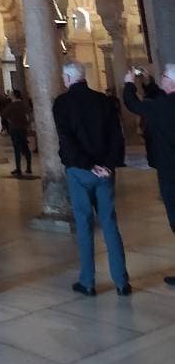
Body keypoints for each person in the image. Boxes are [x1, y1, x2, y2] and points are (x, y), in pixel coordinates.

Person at [53, 61, 131, 297]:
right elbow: (117, 136)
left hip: (80, 171)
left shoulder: (62, 104)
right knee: (109, 224)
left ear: (67, 78)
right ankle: (121, 282)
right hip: (105, 172)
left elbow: (67, 140)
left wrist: (88, 165)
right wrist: (107, 164)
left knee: (85, 225)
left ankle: (88, 282)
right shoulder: (104, 101)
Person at [123, 66, 175, 287]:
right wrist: (148, 82)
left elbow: (133, 104)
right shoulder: (164, 103)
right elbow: (161, 100)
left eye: (164, 76)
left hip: (170, 171)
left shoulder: (161, 107)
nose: (161, 79)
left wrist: (128, 84)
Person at [2, 89, 32, 176]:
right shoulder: (23, 104)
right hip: (23, 128)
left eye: (11, 94)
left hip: (14, 128)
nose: (10, 95)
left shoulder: (12, 105)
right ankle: (29, 167)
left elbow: (4, 114)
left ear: (14, 95)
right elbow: (29, 113)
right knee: (25, 147)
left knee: (17, 149)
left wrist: (10, 120)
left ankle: (18, 169)